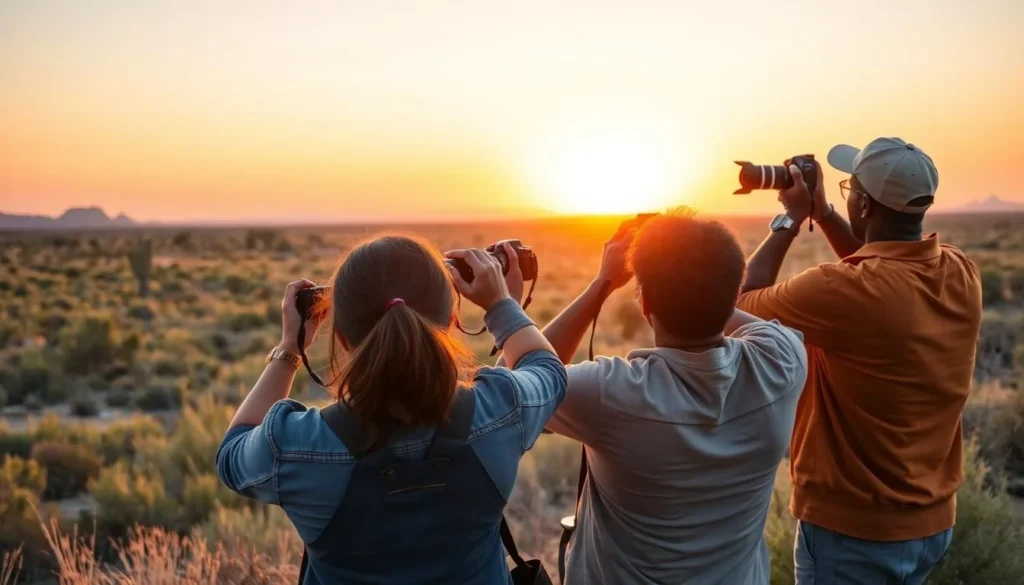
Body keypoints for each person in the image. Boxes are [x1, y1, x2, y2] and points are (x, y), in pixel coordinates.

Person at [216, 235, 567, 585]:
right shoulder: (500, 411)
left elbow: (233, 454)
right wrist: (501, 305)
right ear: (450, 321)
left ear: (340, 337)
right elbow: (547, 370)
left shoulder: (298, 447)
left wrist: (289, 350)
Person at [738, 137, 982, 584]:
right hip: (930, 524)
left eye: (850, 189)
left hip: (852, 533)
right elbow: (877, 269)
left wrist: (791, 218)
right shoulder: (960, 272)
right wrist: (826, 214)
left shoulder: (843, 290)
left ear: (865, 207)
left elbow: (740, 305)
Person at [536, 210, 808, 584]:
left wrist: (601, 284)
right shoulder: (782, 361)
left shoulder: (610, 393)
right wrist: (704, 279)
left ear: (645, 304)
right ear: (734, 291)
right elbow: (727, 308)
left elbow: (512, 384)